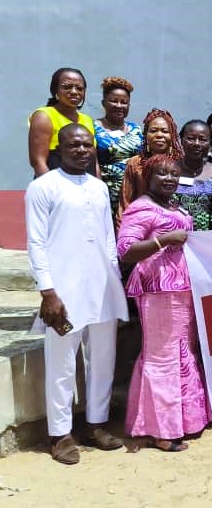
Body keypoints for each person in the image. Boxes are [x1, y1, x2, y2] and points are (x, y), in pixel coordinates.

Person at [25, 123, 128, 464]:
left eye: (88, 145)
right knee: (62, 363)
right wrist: (47, 292)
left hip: (101, 287)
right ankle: (60, 434)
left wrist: (114, 281)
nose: (82, 150)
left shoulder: (99, 188)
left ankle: (95, 424)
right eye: (75, 145)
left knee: (102, 359)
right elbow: (36, 243)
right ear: (60, 148)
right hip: (63, 291)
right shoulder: (42, 188)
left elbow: (108, 240)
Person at [117, 154, 210, 452]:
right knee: (161, 358)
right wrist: (164, 239)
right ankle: (160, 430)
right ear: (148, 177)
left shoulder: (173, 206)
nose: (169, 179)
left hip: (182, 289)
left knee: (183, 352)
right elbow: (126, 250)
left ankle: (184, 421)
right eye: (162, 174)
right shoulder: (141, 208)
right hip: (158, 290)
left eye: (174, 174)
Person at [118, 109, 183, 226]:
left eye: (165, 131)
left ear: (172, 135)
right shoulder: (134, 163)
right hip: (139, 226)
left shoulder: (179, 164)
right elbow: (125, 204)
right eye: (153, 131)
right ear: (146, 135)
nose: (159, 135)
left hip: (172, 227)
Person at [28, 67, 97, 177]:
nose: (74, 92)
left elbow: (94, 162)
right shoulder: (44, 116)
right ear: (56, 90)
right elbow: (38, 161)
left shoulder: (87, 120)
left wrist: (98, 187)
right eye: (67, 87)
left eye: (79, 88)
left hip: (85, 186)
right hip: (56, 186)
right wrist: (52, 190)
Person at [94, 77, 144, 222]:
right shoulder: (93, 127)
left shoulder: (136, 130)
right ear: (104, 103)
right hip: (104, 193)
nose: (119, 105)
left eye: (124, 102)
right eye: (114, 101)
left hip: (132, 194)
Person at [174, 120, 212, 231]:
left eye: (202, 139)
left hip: (207, 239)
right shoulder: (169, 170)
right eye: (191, 138)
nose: (197, 143)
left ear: (210, 143)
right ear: (181, 140)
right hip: (173, 238)